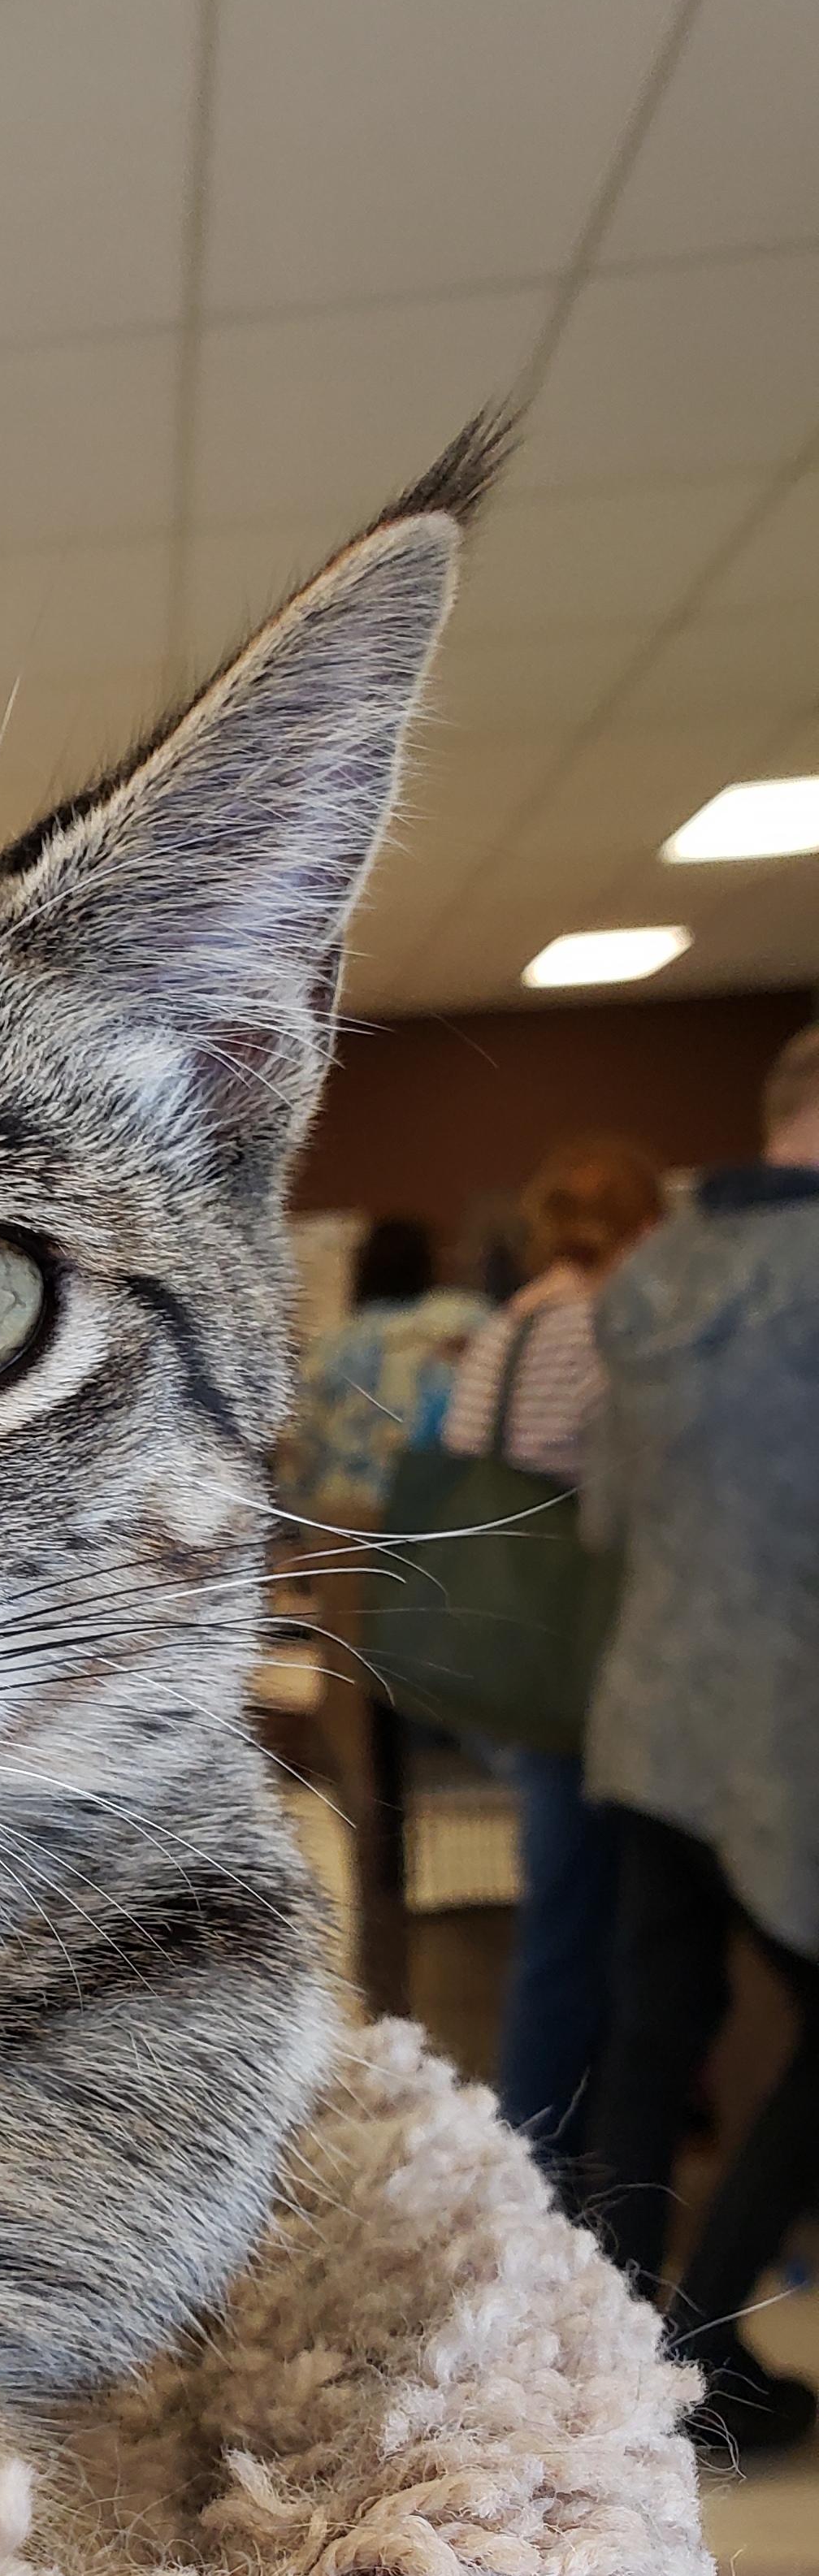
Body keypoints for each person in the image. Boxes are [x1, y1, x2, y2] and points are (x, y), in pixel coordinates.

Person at [580, 1024, 819, 2452]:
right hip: (785, 1707)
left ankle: (605, 2351)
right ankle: (708, 2350)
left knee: (651, 2025)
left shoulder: (649, 1275)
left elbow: (605, 1517)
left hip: (646, 1697)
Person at [439, 1138, 667, 2205]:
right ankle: (542, 2164)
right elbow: (624, 1498)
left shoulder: (510, 1323)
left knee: (558, 1902)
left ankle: (537, 2146)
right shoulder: (610, 1328)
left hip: (502, 1650)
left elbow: (468, 1461)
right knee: (575, 1921)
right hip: (581, 1662)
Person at [285, 1219, 487, 1533]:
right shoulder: (464, 1321)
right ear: (429, 1263)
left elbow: (301, 1443)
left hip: (346, 1514)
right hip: (440, 1509)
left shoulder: (334, 1346)